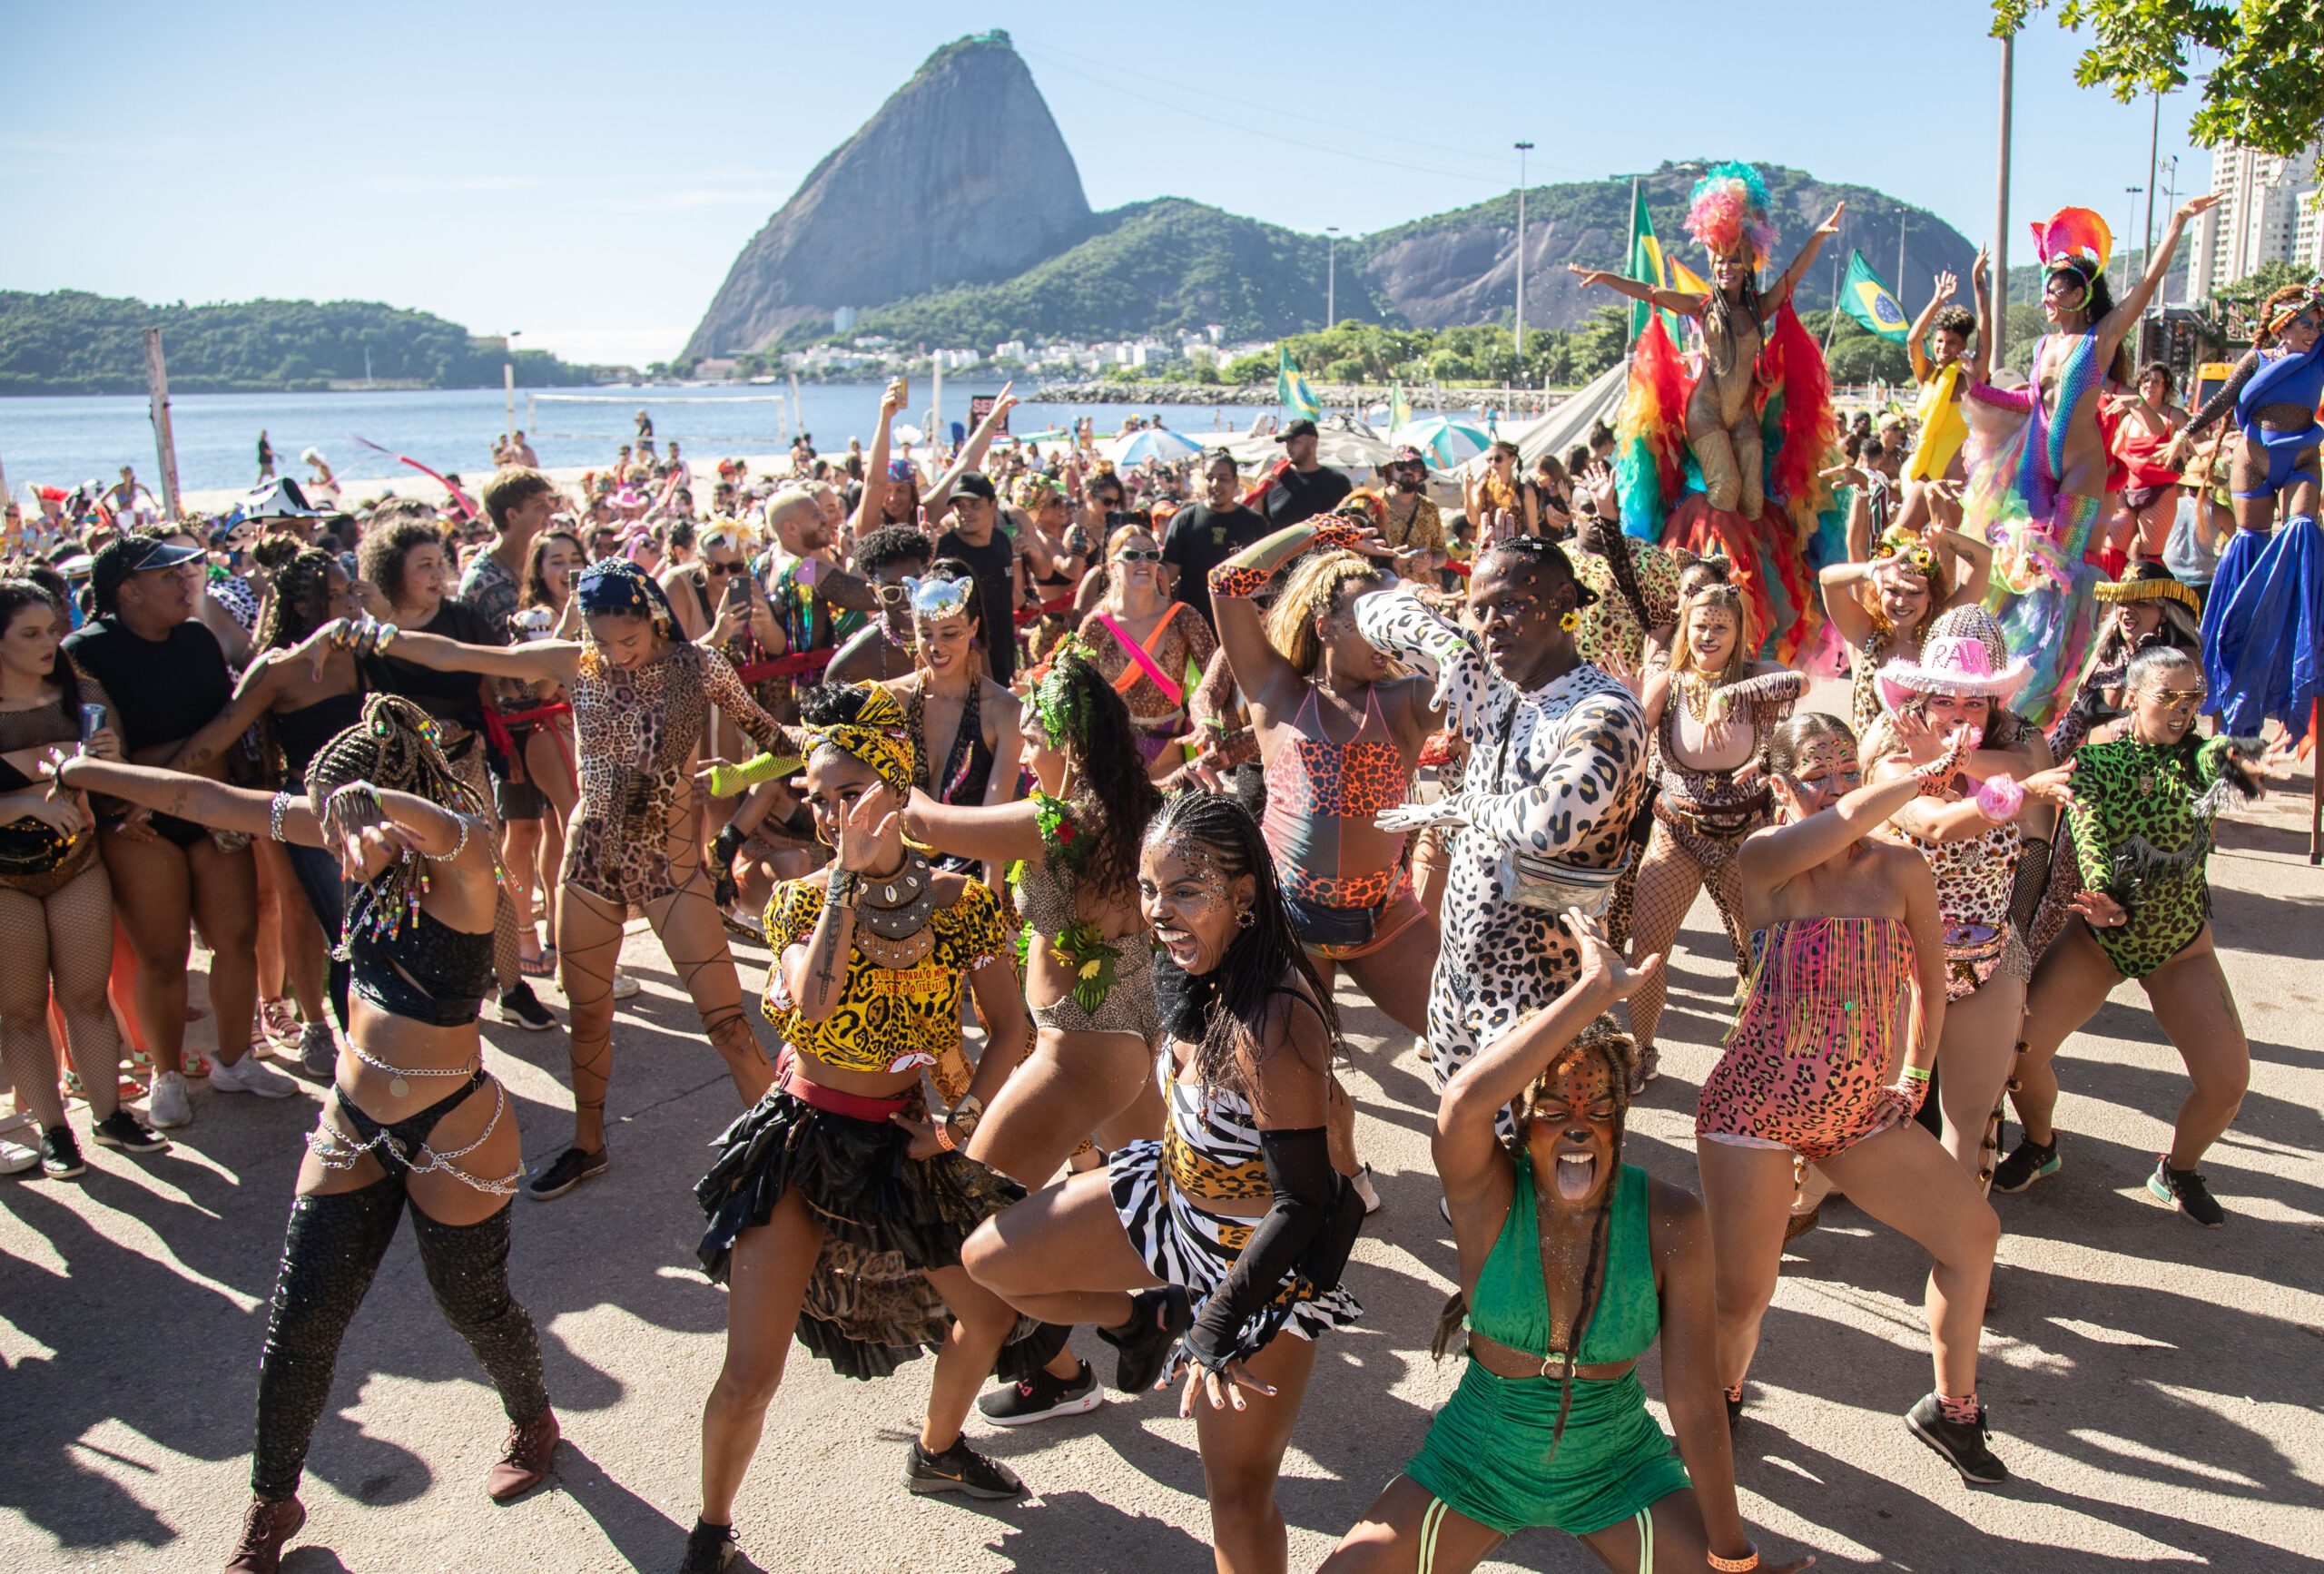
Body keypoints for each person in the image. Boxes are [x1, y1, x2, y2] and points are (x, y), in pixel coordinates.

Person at [55, 696, 557, 1574]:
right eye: (322, 818)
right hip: (352, 1121)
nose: (332, 840)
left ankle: (533, 1417)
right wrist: (83, 771)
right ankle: (271, 1502)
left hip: (456, 1131)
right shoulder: (343, 832)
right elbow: (203, 801)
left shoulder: (465, 862)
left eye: (344, 818)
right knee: (299, 1324)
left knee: (471, 1305)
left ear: (383, 801)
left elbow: (447, 823)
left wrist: (383, 806)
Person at [1321, 923, 1808, 1574]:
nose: (1578, 1124)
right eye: (1552, 1108)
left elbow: (1694, 1400)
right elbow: (1462, 1106)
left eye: (1600, 1106)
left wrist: (1733, 1555)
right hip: (1476, 1461)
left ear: (1622, 1120)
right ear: (1521, 1122)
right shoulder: (1487, 1195)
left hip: (1619, 1470)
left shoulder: (1671, 1221)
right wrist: (1593, 991)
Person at [296, 559, 787, 1201]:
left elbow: (782, 745)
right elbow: (456, 654)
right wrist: (377, 636)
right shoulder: (574, 662)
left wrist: (730, 779)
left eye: (628, 641)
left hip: (670, 870)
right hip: (587, 864)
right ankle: (588, 1145)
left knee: (729, 1026)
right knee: (587, 1017)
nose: (613, 655)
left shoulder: (701, 668)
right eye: (602, 641)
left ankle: (786, 1154)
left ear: (653, 618)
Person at [962, 792, 1364, 1574]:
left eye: (1185, 890)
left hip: (1255, 1267)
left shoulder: (1272, 1019)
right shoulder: (1192, 974)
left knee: (1237, 1496)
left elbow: (1305, 1200)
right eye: (1150, 890)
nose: (1160, 913)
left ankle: (1183, 1315)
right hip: (1170, 1202)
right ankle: (1150, 1316)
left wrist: (1216, 1326)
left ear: (1244, 895)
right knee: (991, 1262)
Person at [683, 684, 1035, 1573]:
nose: (835, 812)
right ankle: (712, 1531)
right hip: (802, 1138)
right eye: (821, 796)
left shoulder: (965, 906)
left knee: (988, 1313)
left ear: (896, 785)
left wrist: (957, 1122)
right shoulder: (800, 902)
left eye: (852, 792)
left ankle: (936, 1448)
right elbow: (811, 1005)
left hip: (904, 1144)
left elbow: (1012, 1032)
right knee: (750, 1372)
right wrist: (847, 874)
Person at [1699, 712, 2006, 1483]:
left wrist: (1912, 1076)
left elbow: (1929, 985)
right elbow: (1840, 822)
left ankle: (1952, 1408)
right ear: (1778, 786)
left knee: (1972, 1237)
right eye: (1816, 774)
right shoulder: (1766, 860)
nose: (1836, 787)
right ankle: (1720, 1398)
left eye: (1847, 770)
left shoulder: (1903, 869)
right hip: (1753, 1111)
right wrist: (1912, 780)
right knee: (1743, 1298)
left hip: (1855, 1116)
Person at [900, 640, 1165, 1423]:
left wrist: (880, 750)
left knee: (966, 1226)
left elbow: (923, 820)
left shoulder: (1055, 822)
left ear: (1071, 743)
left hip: (1077, 1055)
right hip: (1124, 1051)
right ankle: (1216, 1323)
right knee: (1165, 1213)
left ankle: (1111, 1333)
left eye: (1038, 738)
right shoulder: (1139, 809)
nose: (1027, 752)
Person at [1352, 532, 1647, 1100]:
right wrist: (1449, 649)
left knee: (1536, 1146)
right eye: (1479, 609)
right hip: (1459, 975)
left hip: (1541, 989)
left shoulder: (1603, 711)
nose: (1491, 624)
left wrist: (1464, 806)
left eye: (1510, 604)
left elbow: (1549, 823)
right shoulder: (1487, 679)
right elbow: (1369, 607)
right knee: (1463, 1142)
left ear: (1563, 604)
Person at [1996, 646, 2280, 1225]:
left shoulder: (2196, 756)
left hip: (2179, 948)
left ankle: (2178, 1167)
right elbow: (2089, 827)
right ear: (2130, 698)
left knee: (2227, 1082)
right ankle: (2041, 1144)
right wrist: (2104, 896)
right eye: (2167, 697)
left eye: (2192, 698)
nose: (2181, 711)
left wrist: (2238, 754)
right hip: (2098, 943)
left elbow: (2212, 756)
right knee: (2018, 1056)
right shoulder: (2097, 765)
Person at [62, 533, 295, 1127]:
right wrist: (130, 796)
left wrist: (163, 777)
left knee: (236, 940)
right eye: (167, 577)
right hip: (135, 823)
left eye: (186, 573)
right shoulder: (85, 650)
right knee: (161, 957)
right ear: (128, 590)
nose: (186, 583)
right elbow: (93, 746)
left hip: (208, 811)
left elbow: (219, 729)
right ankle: (166, 1076)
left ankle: (236, 1060)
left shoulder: (196, 639)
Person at [1571, 165, 1844, 654]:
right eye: (1719, 261)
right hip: (1706, 411)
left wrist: (1820, 237)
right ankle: (1708, 588)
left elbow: (1794, 276)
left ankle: (1744, 598)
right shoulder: (1701, 307)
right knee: (1725, 490)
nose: (1725, 269)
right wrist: (1609, 280)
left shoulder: (1760, 307)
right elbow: (1652, 293)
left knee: (1756, 505)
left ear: (1746, 264)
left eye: (1733, 262)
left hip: (1743, 414)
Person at [1961, 197, 2215, 719]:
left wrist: (2178, 223)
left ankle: (2043, 697)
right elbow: (2030, 404)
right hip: (2036, 468)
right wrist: (1980, 390)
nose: (2047, 296)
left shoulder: (2098, 340)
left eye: (2056, 288)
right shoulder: (2041, 347)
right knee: (2018, 572)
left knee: (2060, 582)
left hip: (2079, 475)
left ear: (2080, 293)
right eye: (2046, 286)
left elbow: (2145, 286)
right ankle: (2000, 672)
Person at [1863, 607, 2074, 1187]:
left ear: (1993, 709)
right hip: (1899, 963)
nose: (1959, 715)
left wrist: (1959, 759)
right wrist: (1973, 780)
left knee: (1968, 1130)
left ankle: (1963, 1260)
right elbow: (1936, 824)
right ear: (1922, 702)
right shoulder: (1894, 758)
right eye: (1946, 702)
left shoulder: (2012, 759)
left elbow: (2027, 786)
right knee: (1862, 1115)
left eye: (1974, 704)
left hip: (1988, 960)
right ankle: (1799, 1213)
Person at [1206, 517, 1439, 1034]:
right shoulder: (1278, 694)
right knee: (1298, 1085)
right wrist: (1322, 530)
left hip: (1385, 920)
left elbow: (1482, 685)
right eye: (1365, 620)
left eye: (1388, 619)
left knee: (1469, 1042)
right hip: (1286, 922)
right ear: (1323, 626)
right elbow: (1226, 582)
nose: (1382, 636)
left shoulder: (1409, 701)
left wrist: (1424, 621)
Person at [166, 545, 369, 1072]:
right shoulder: (278, 670)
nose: (350, 601)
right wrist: (145, 787)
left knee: (385, 931)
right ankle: (348, 1047)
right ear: (303, 607)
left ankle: (392, 1048)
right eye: (337, 594)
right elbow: (216, 738)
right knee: (347, 933)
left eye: (351, 590)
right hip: (317, 817)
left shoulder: (368, 653)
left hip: (383, 811)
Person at [354, 507, 556, 1028]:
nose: (438, 574)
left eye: (440, 562)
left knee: (488, 869)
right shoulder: (365, 633)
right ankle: (425, 992)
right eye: (423, 565)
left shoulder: (461, 617)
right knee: (410, 880)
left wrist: (532, 659)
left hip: (462, 766)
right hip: (393, 776)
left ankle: (512, 988)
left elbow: (505, 684)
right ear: (391, 572)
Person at [0, 580, 167, 1178]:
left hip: (76, 861)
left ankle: (110, 1114)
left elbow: (113, 777)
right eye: (31, 634)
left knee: (87, 996)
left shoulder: (80, 690)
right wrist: (27, 806)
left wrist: (106, 759)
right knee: (20, 1010)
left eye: (52, 630)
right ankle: (51, 1130)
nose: (50, 643)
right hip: (4, 877)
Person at [1621, 583, 1806, 1087]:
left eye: (1721, 627)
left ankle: (1765, 1052)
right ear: (1687, 627)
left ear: (1738, 632)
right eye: (1700, 625)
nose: (1708, 635)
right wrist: (1622, 696)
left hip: (1747, 838)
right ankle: (1641, 1052)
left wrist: (1732, 693)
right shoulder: (1668, 683)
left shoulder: (1757, 678)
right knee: (1649, 953)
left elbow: (1803, 683)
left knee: (1762, 950)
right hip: (1677, 831)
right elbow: (1630, 736)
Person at [2173, 280, 2324, 739]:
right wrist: (2186, 431)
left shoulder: (2319, 355)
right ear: (2283, 325)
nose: (2314, 332)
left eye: (2319, 324)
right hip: (2252, 459)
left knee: (2301, 530)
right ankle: (2241, 642)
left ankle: (2292, 629)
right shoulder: (2254, 360)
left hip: (2301, 456)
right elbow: (2220, 400)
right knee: (2248, 549)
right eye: (2306, 324)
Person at [1079, 524, 1220, 781]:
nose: (1143, 561)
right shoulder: (1096, 626)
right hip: (1113, 751)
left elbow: (1217, 674)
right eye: (1132, 556)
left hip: (1170, 751)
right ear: (1112, 566)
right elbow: (1077, 689)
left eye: (1151, 555)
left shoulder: (1184, 617)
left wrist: (1208, 721)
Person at [1818, 534, 1991, 737]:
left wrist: (1940, 536)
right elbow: (1826, 580)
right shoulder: (1864, 632)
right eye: (1893, 591)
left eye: (1914, 593)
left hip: (1933, 762)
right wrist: (1871, 569)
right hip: (1871, 762)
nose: (1901, 602)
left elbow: (1983, 560)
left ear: (1931, 595)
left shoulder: (1944, 633)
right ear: (1879, 592)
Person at [1892, 273, 1976, 538]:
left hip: (1954, 473)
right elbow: (1912, 340)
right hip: (1925, 468)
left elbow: (1984, 345)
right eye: (1939, 340)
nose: (1943, 347)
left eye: (1952, 342)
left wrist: (1980, 290)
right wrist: (1937, 300)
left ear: (1963, 346)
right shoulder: (1928, 372)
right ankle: (1881, 578)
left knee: (1945, 547)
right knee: (1900, 535)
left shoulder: (1965, 376)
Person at [1162, 449, 1271, 631]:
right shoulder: (1184, 520)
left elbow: (1270, 575)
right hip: (1193, 624)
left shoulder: (1255, 523)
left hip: (1241, 625)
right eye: (1210, 477)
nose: (1215, 484)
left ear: (1236, 482)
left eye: (1223, 478)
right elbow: (1168, 574)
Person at [933, 472, 1023, 686]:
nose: (966, 513)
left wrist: (1027, 602)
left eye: (974, 505)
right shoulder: (946, 550)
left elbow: (1005, 592)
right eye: (959, 506)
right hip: (968, 662)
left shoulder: (1001, 540)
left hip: (1004, 652)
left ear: (993, 505)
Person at [2105, 363, 2190, 567]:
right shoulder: (2128, 420)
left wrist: (2181, 444)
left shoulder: (2176, 416)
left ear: (2165, 387)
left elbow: (2194, 441)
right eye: (2146, 379)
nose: (2150, 384)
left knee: (2148, 558)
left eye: (2157, 381)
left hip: (2160, 492)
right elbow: (2115, 455)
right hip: (2128, 491)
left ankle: (2147, 600)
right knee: (2111, 550)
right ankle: (2107, 599)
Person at [1257, 419, 1352, 530]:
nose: (1288, 447)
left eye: (1294, 441)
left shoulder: (1337, 483)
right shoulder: (1275, 479)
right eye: (1287, 442)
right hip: (1280, 547)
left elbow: (1349, 525)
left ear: (1313, 442)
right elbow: (1257, 527)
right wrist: (1259, 493)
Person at [1462, 442, 1537, 538]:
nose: (1493, 463)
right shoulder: (1485, 488)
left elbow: (1533, 530)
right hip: (1487, 549)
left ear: (1512, 459)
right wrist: (1467, 491)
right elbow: (1473, 520)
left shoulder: (1524, 491)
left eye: (1498, 459)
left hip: (1513, 549)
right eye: (1490, 459)